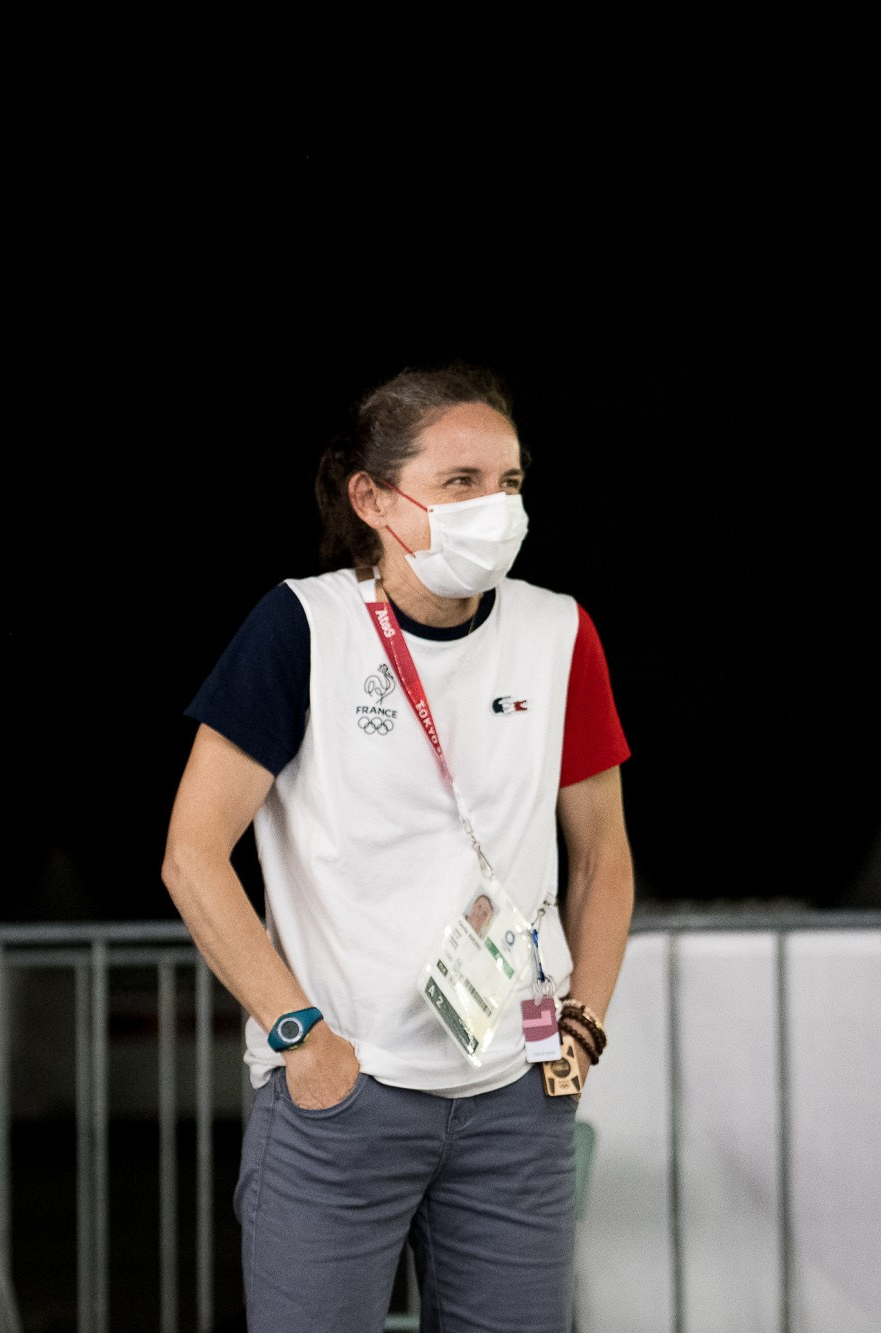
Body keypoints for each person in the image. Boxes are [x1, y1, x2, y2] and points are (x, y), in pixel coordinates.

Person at [161, 364, 634, 1331]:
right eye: (460, 481)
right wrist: (300, 1035)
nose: (495, 507)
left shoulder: (559, 630)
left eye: (508, 482)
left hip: (516, 1093)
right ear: (373, 497)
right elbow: (192, 852)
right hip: (344, 1089)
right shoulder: (303, 625)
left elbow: (602, 855)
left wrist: (583, 1021)